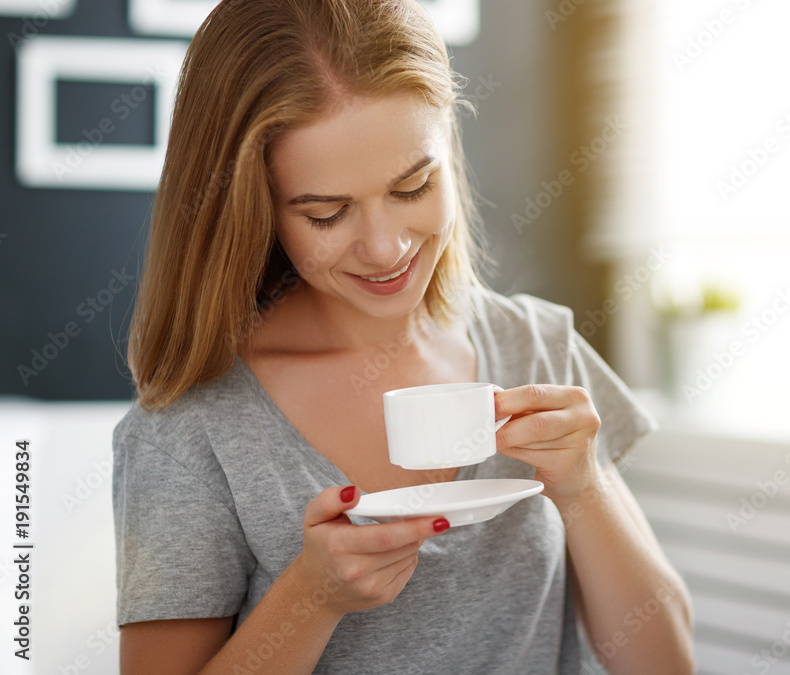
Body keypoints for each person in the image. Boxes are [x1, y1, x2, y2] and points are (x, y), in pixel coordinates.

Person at [112, 0, 694, 673]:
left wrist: (582, 485)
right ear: (256, 206)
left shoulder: (534, 344)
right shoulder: (191, 427)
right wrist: (310, 599)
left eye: (413, 184)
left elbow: (666, 661)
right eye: (327, 213)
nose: (386, 247)